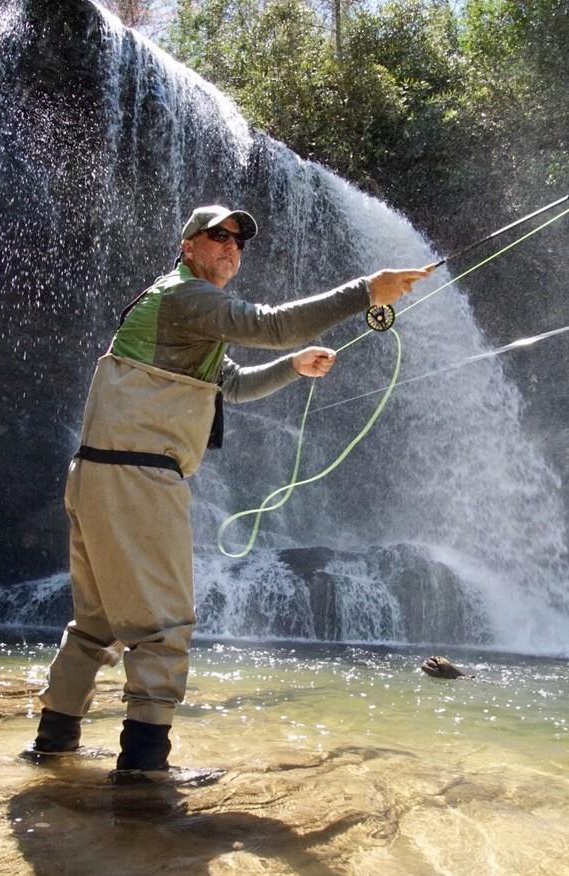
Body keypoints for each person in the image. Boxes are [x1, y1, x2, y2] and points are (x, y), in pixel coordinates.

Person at [29, 203, 433, 773]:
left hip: (99, 474)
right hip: (139, 478)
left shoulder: (181, 314)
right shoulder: (186, 297)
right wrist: (367, 290)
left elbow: (233, 386)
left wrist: (293, 366)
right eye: (217, 236)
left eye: (239, 242)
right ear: (187, 246)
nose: (230, 247)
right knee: (164, 627)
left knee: (96, 625)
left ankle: (53, 745)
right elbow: (271, 325)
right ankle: (144, 769)